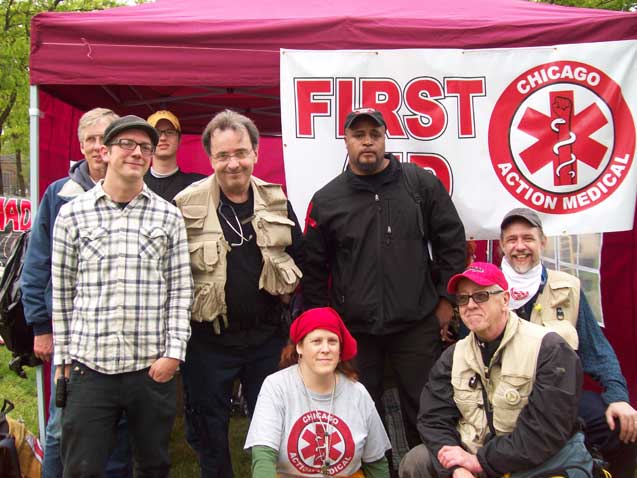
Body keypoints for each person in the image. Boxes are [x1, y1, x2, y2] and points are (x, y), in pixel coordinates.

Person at [302, 108, 466, 449]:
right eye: (358, 135)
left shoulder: (419, 184)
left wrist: (445, 302)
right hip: (356, 331)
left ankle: (428, 471)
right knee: (357, 418)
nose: (367, 142)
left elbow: (452, 242)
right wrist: (324, 327)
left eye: (374, 135)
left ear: (385, 138)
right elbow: (314, 270)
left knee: (428, 414)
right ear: (345, 141)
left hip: (417, 325)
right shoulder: (327, 200)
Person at [51, 115, 193, 478]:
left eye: (145, 147)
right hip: (89, 368)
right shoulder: (72, 215)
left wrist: (173, 354)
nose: (137, 152)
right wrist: (64, 361)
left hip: (150, 369)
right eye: (127, 145)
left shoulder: (168, 216)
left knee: (153, 465)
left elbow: (180, 288)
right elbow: (63, 293)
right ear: (105, 151)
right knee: (81, 468)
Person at [174, 109, 304, 477]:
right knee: (209, 429)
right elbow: (171, 272)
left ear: (256, 153)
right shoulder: (185, 205)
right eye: (223, 155)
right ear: (210, 158)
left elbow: (300, 256)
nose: (233, 163)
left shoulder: (277, 200)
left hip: (267, 337)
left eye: (241, 152)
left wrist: (288, 299)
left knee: (275, 426)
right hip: (207, 340)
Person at [20, 107, 133, 478]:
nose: (99, 147)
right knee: (61, 424)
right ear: (81, 145)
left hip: (122, 333)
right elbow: (37, 263)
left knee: (119, 425)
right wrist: (41, 326)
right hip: (71, 335)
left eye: (106, 137)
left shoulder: (135, 193)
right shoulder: (59, 195)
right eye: (91, 139)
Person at [400, 262, 592, 478]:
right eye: (462, 298)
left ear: (505, 300)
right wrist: (457, 468)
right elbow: (432, 419)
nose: (470, 305)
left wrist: (479, 462)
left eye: (481, 296)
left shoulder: (549, 348)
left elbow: (545, 432)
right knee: (417, 461)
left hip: (539, 463)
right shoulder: (453, 356)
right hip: (473, 458)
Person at [499, 207, 637, 477]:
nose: (520, 246)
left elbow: (597, 351)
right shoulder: (485, 290)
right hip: (506, 399)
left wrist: (618, 397)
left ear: (543, 242)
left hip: (562, 398)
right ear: (502, 245)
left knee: (622, 427)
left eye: (527, 238)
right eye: (512, 239)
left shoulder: (568, 287)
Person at [245, 307, 392, 478]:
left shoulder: (357, 393)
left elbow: (376, 463)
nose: (325, 349)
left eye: (332, 341)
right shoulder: (276, 386)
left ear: (340, 349)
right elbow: (263, 456)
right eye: (316, 341)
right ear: (299, 347)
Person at [144, 110, 206, 201]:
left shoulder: (198, 185)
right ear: (147, 141)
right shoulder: (134, 183)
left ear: (180, 139)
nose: (163, 138)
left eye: (170, 132)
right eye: (156, 132)